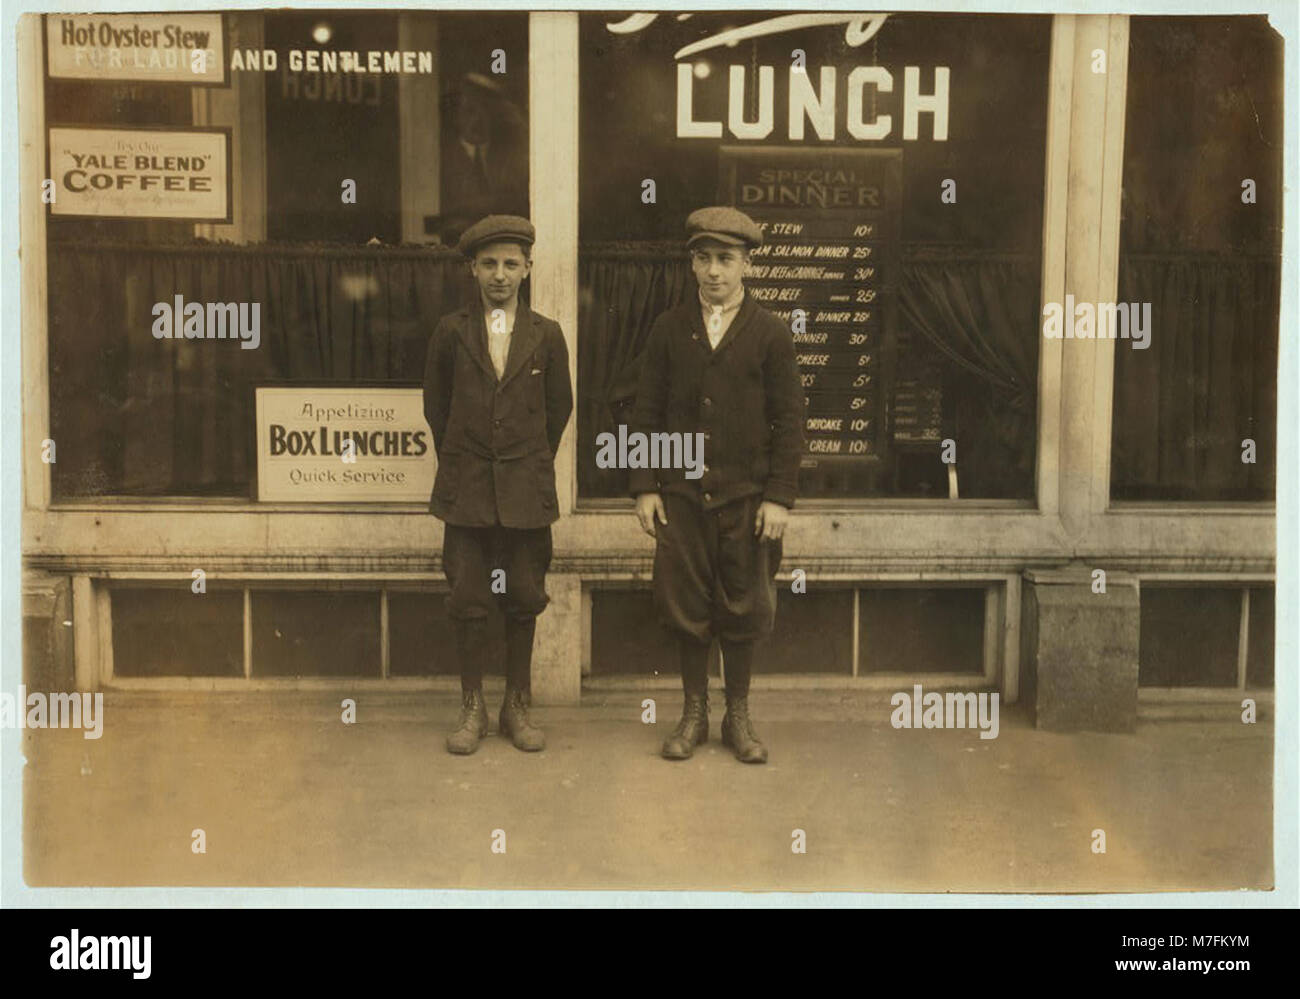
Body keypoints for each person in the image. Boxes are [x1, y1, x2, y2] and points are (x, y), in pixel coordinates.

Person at [629, 207, 803, 764]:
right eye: (702, 258)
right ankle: (694, 713)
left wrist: (778, 496)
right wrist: (645, 487)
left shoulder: (771, 334)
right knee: (686, 605)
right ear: (691, 263)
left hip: (747, 501)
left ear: (747, 264)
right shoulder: (667, 329)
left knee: (745, 604)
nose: (713, 272)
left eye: (725, 259)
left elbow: (790, 422)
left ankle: (739, 716)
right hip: (681, 498)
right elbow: (646, 412)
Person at [423, 215, 572, 754]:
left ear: (528, 268)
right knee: (467, 597)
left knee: (525, 597)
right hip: (466, 493)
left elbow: (560, 411)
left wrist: (521, 465)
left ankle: (517, 705)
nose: (500, 275)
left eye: (511, 264)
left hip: (525, 495)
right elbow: (436, 408)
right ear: (472, 269)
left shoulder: (547, 335)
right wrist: (471, 466)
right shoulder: (451, 332)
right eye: (489, 264)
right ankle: (472, 707)